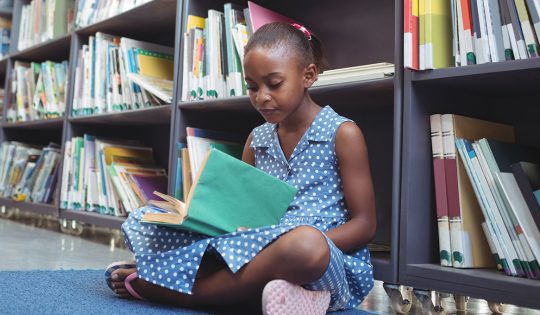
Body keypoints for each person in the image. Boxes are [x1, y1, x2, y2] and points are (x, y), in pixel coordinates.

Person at [106, 22, 377, 314]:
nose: (261, 96)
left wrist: (280, 242)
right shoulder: (257, 138)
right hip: (253, 247)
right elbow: (240, 214)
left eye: (274, 84)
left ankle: (182, 292)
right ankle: (271, 297)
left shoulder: (343, 133)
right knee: (144, 219)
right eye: (252, 87)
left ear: (308, 76)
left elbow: (364, 226)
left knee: (305, 244)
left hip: (319, 259)